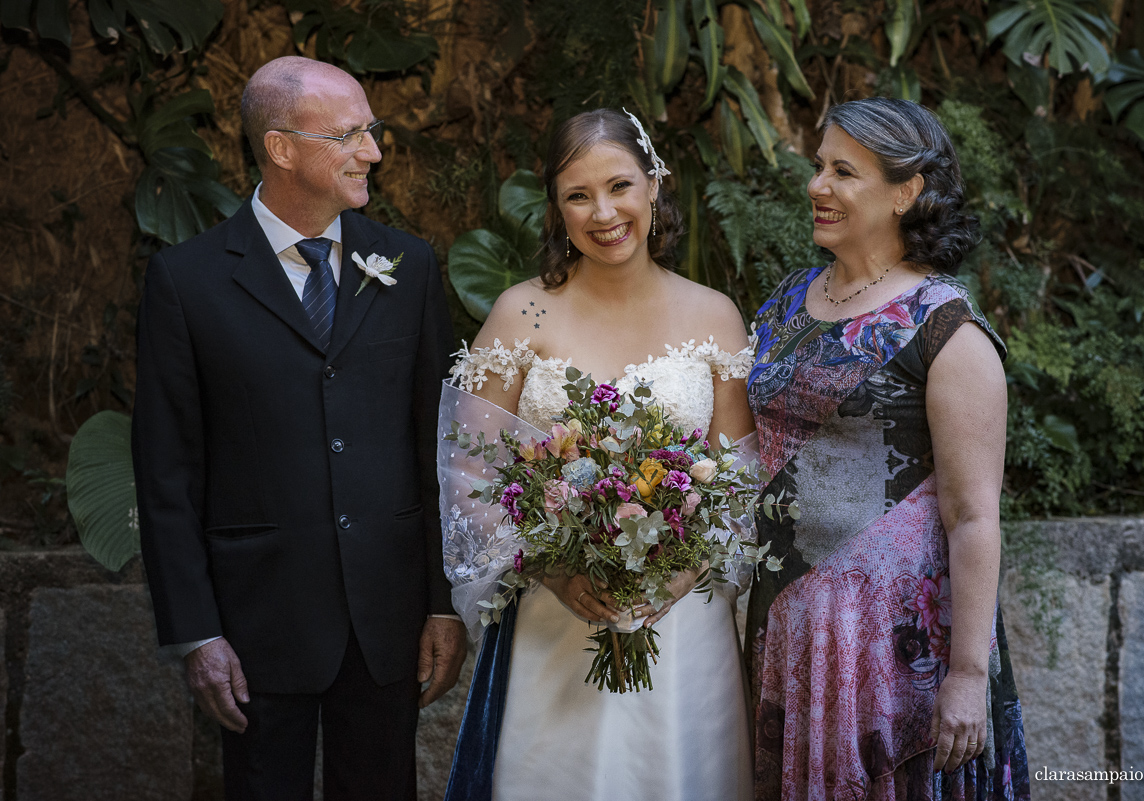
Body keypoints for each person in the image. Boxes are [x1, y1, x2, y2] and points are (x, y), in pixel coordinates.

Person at [131, 56, 466, 800]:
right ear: (281, 147)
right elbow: (167, 472)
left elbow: (439, 448)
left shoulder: (406, 267)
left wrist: (444, 601)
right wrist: (198, 631)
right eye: (349, 135)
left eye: (371, 132)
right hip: (257, 625)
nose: (372, 151)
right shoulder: (187, 283)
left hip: (386, 617)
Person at [440, 109, 755, 800]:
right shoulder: (520, 313)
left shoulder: (715, 315)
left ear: (654, 185)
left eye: (620, 186)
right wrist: (554, 567)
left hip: (681, 622)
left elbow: (739, 474)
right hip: (559, 618)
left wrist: (683, 569)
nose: (604, 212)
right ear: (555, 208)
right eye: (578, 195)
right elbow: (471, 473)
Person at [744, 96, 1029, 800]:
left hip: (894, 644)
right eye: (819, 167)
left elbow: (973, 517)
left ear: (906, 192)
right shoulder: (786, 302)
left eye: (844, 171)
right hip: (793, 627)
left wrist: (966, 674)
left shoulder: (945, 328)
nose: (818, 186)